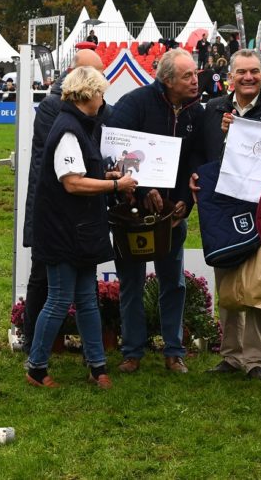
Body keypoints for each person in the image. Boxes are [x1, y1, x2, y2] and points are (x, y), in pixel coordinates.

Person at [27, 67, 138, 388]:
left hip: (80, 228)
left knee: (87, 299)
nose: (104, 100)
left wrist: (108, 178)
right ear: (88, 95)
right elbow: (73, 183)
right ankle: (36, 366)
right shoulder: (68, 131)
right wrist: (116, 187)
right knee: (60, 300)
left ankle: (97, 365)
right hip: (63, 230)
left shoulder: (79, 126)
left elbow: (81, 175)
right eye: (101, 93)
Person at [106, 48, 203, 374]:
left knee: (172, 282)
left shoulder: (195, 110)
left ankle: (174, 352)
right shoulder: (134, 103)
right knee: (131, 282)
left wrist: (184, 203)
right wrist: (144, 191)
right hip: (132, 213)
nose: (195, 80)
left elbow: (196, 159)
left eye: (195, 73)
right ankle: (132, 352)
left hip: (172, 216)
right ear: (167, 80)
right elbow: (116, 150)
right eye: (188, 75)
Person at [192, 49, 261, 381]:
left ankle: (255, 358)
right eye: (242, 72)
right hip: (223, 206)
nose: (249, 77)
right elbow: (201, 155)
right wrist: (196, 174)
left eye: (255, 72)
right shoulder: (212, 110)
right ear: (230, 76)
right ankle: (230, 355)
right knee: (228, 280)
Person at [20, 49, 106, 352]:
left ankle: (91, 357)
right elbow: (69, 175)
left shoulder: (89, 110)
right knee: (45, 282)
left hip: (80, 214)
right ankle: (34, 345)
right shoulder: (54, 111)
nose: (102, 84)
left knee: (84, 290)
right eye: (96, 78)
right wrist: (113, 182)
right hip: (56, 211)